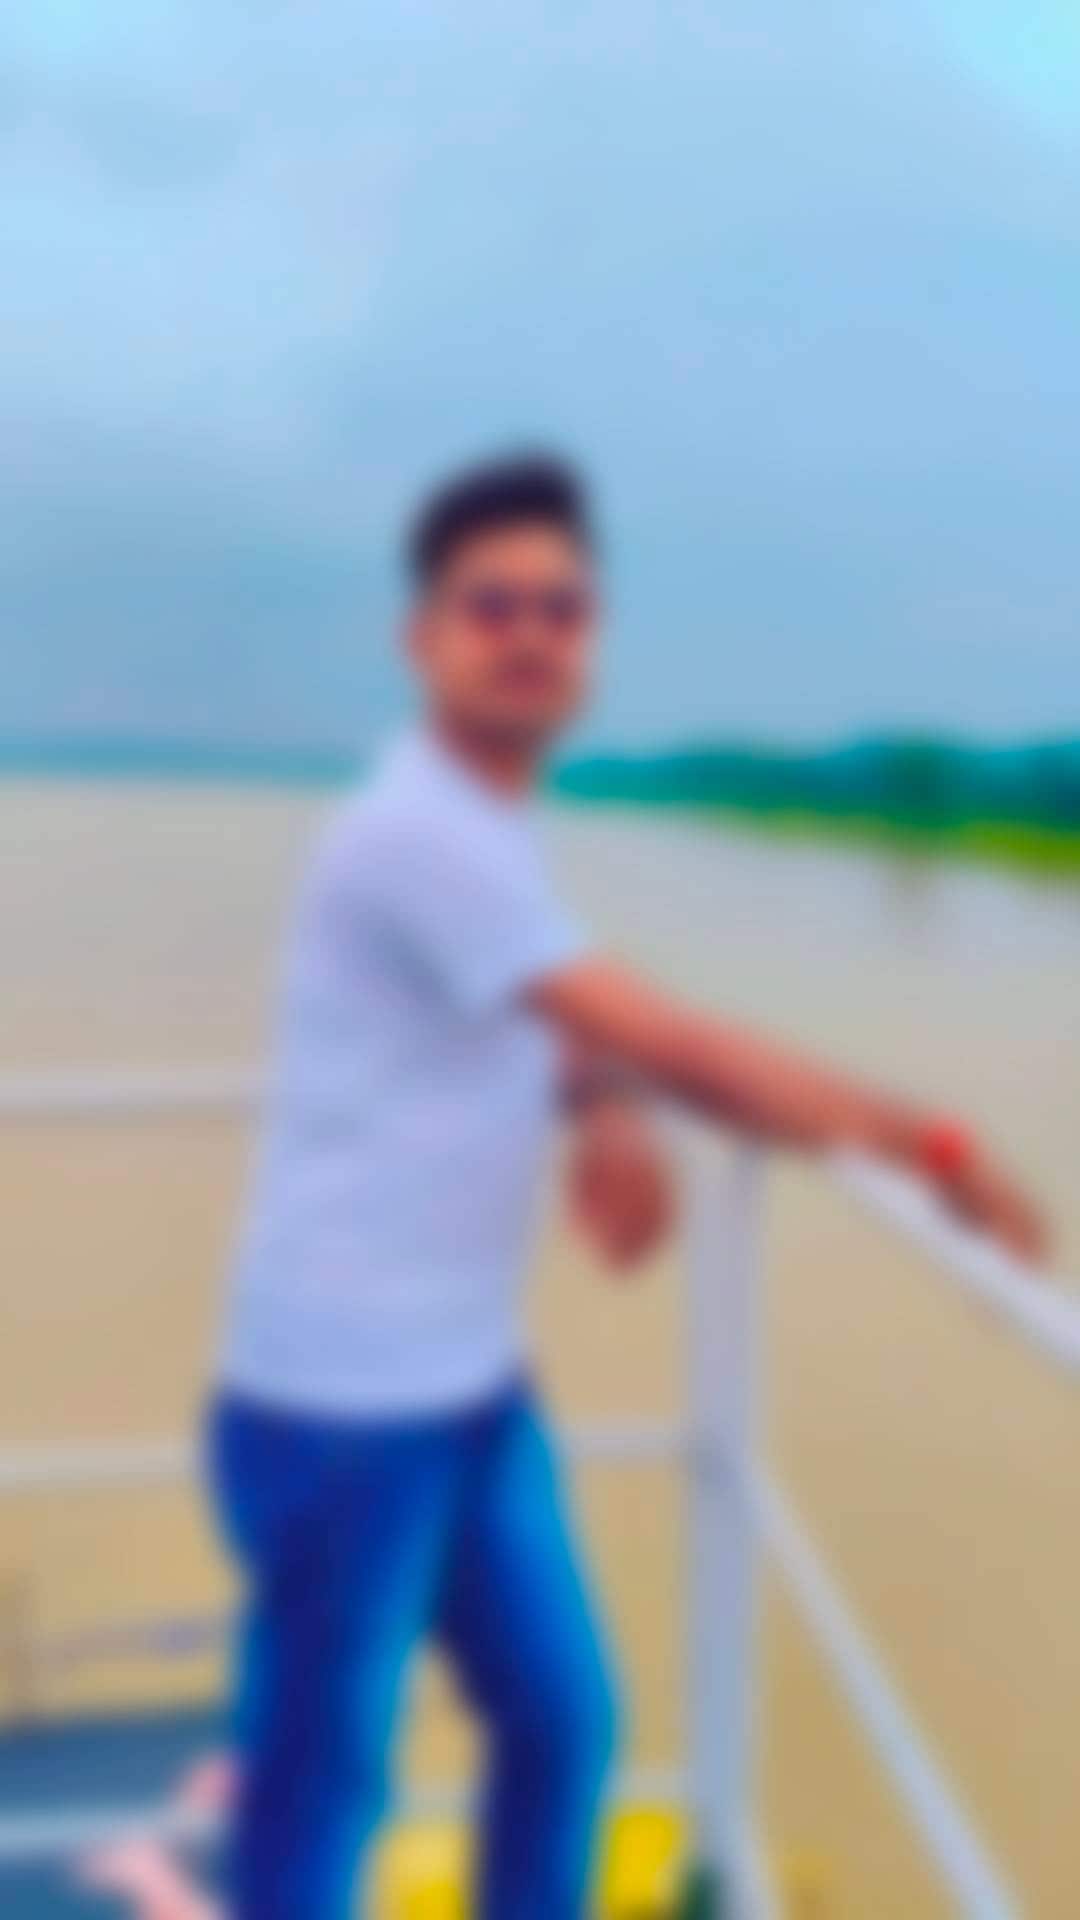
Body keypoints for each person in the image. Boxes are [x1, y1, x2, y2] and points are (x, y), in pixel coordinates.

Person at [174, 454, 1041, 1920]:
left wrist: (603, 1109)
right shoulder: (415, 832)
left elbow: (548, 1018)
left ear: (594, 637)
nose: (529, 633)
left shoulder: (488, 824)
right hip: (342, 1413)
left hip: (464, 1386)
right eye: (491, 605)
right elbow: (683, 1044)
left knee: (562, 1723)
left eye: (560, 608)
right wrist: (934, 1148)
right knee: (323, 1792)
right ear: (421, 637)